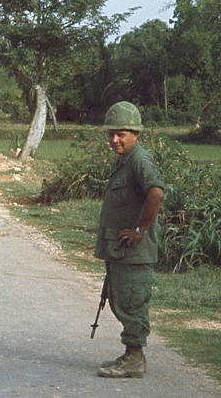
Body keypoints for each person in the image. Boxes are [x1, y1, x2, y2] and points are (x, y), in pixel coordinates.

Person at [94, 101, 165, 378]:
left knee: (132, 303)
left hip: (135, 252)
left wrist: (141, 230)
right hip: (121, 251)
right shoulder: (125, 160)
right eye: (111, 133)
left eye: (121, 134)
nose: (114, 139)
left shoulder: (139, 160)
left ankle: (135, 359)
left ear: (136, 134)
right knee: (121, 301)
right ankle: (130, 355)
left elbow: (156, 192)